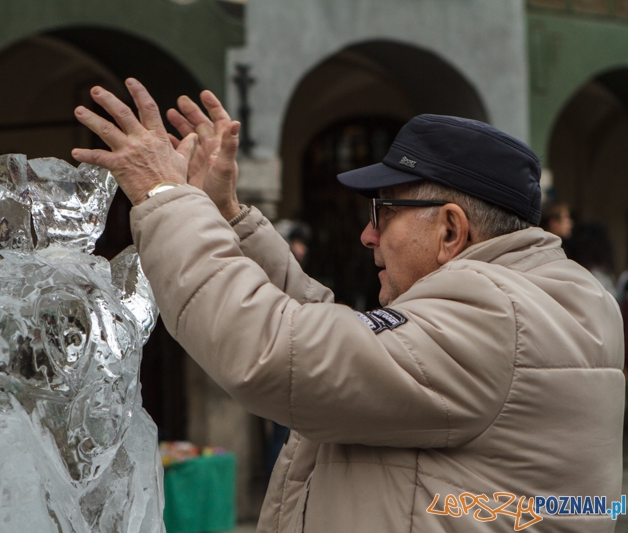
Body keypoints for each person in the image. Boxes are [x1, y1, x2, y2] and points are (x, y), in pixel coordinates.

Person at [71, 79, 624, 532]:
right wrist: (228, 217)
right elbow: (346, 340)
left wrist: (166, 200)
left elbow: (275, 353)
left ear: (451, 230)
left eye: (382, 212)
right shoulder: (538, 299)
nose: (366, 234)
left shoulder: (496, 314)